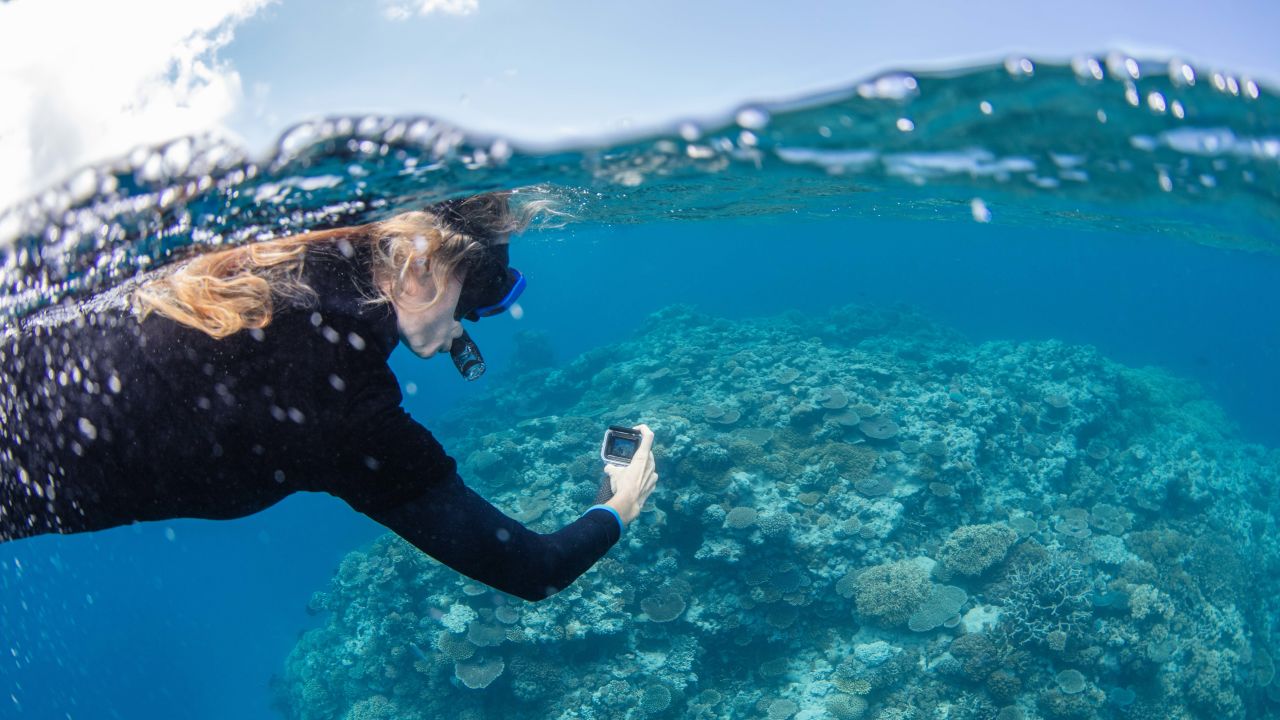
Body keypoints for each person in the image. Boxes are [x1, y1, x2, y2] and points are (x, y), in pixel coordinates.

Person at [0, 191, 658, 602]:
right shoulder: (342, 401)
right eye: (483, 292)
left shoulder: (270, 252)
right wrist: (620, 503)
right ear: (423, 269)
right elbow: (534, 569)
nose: (474, 322)